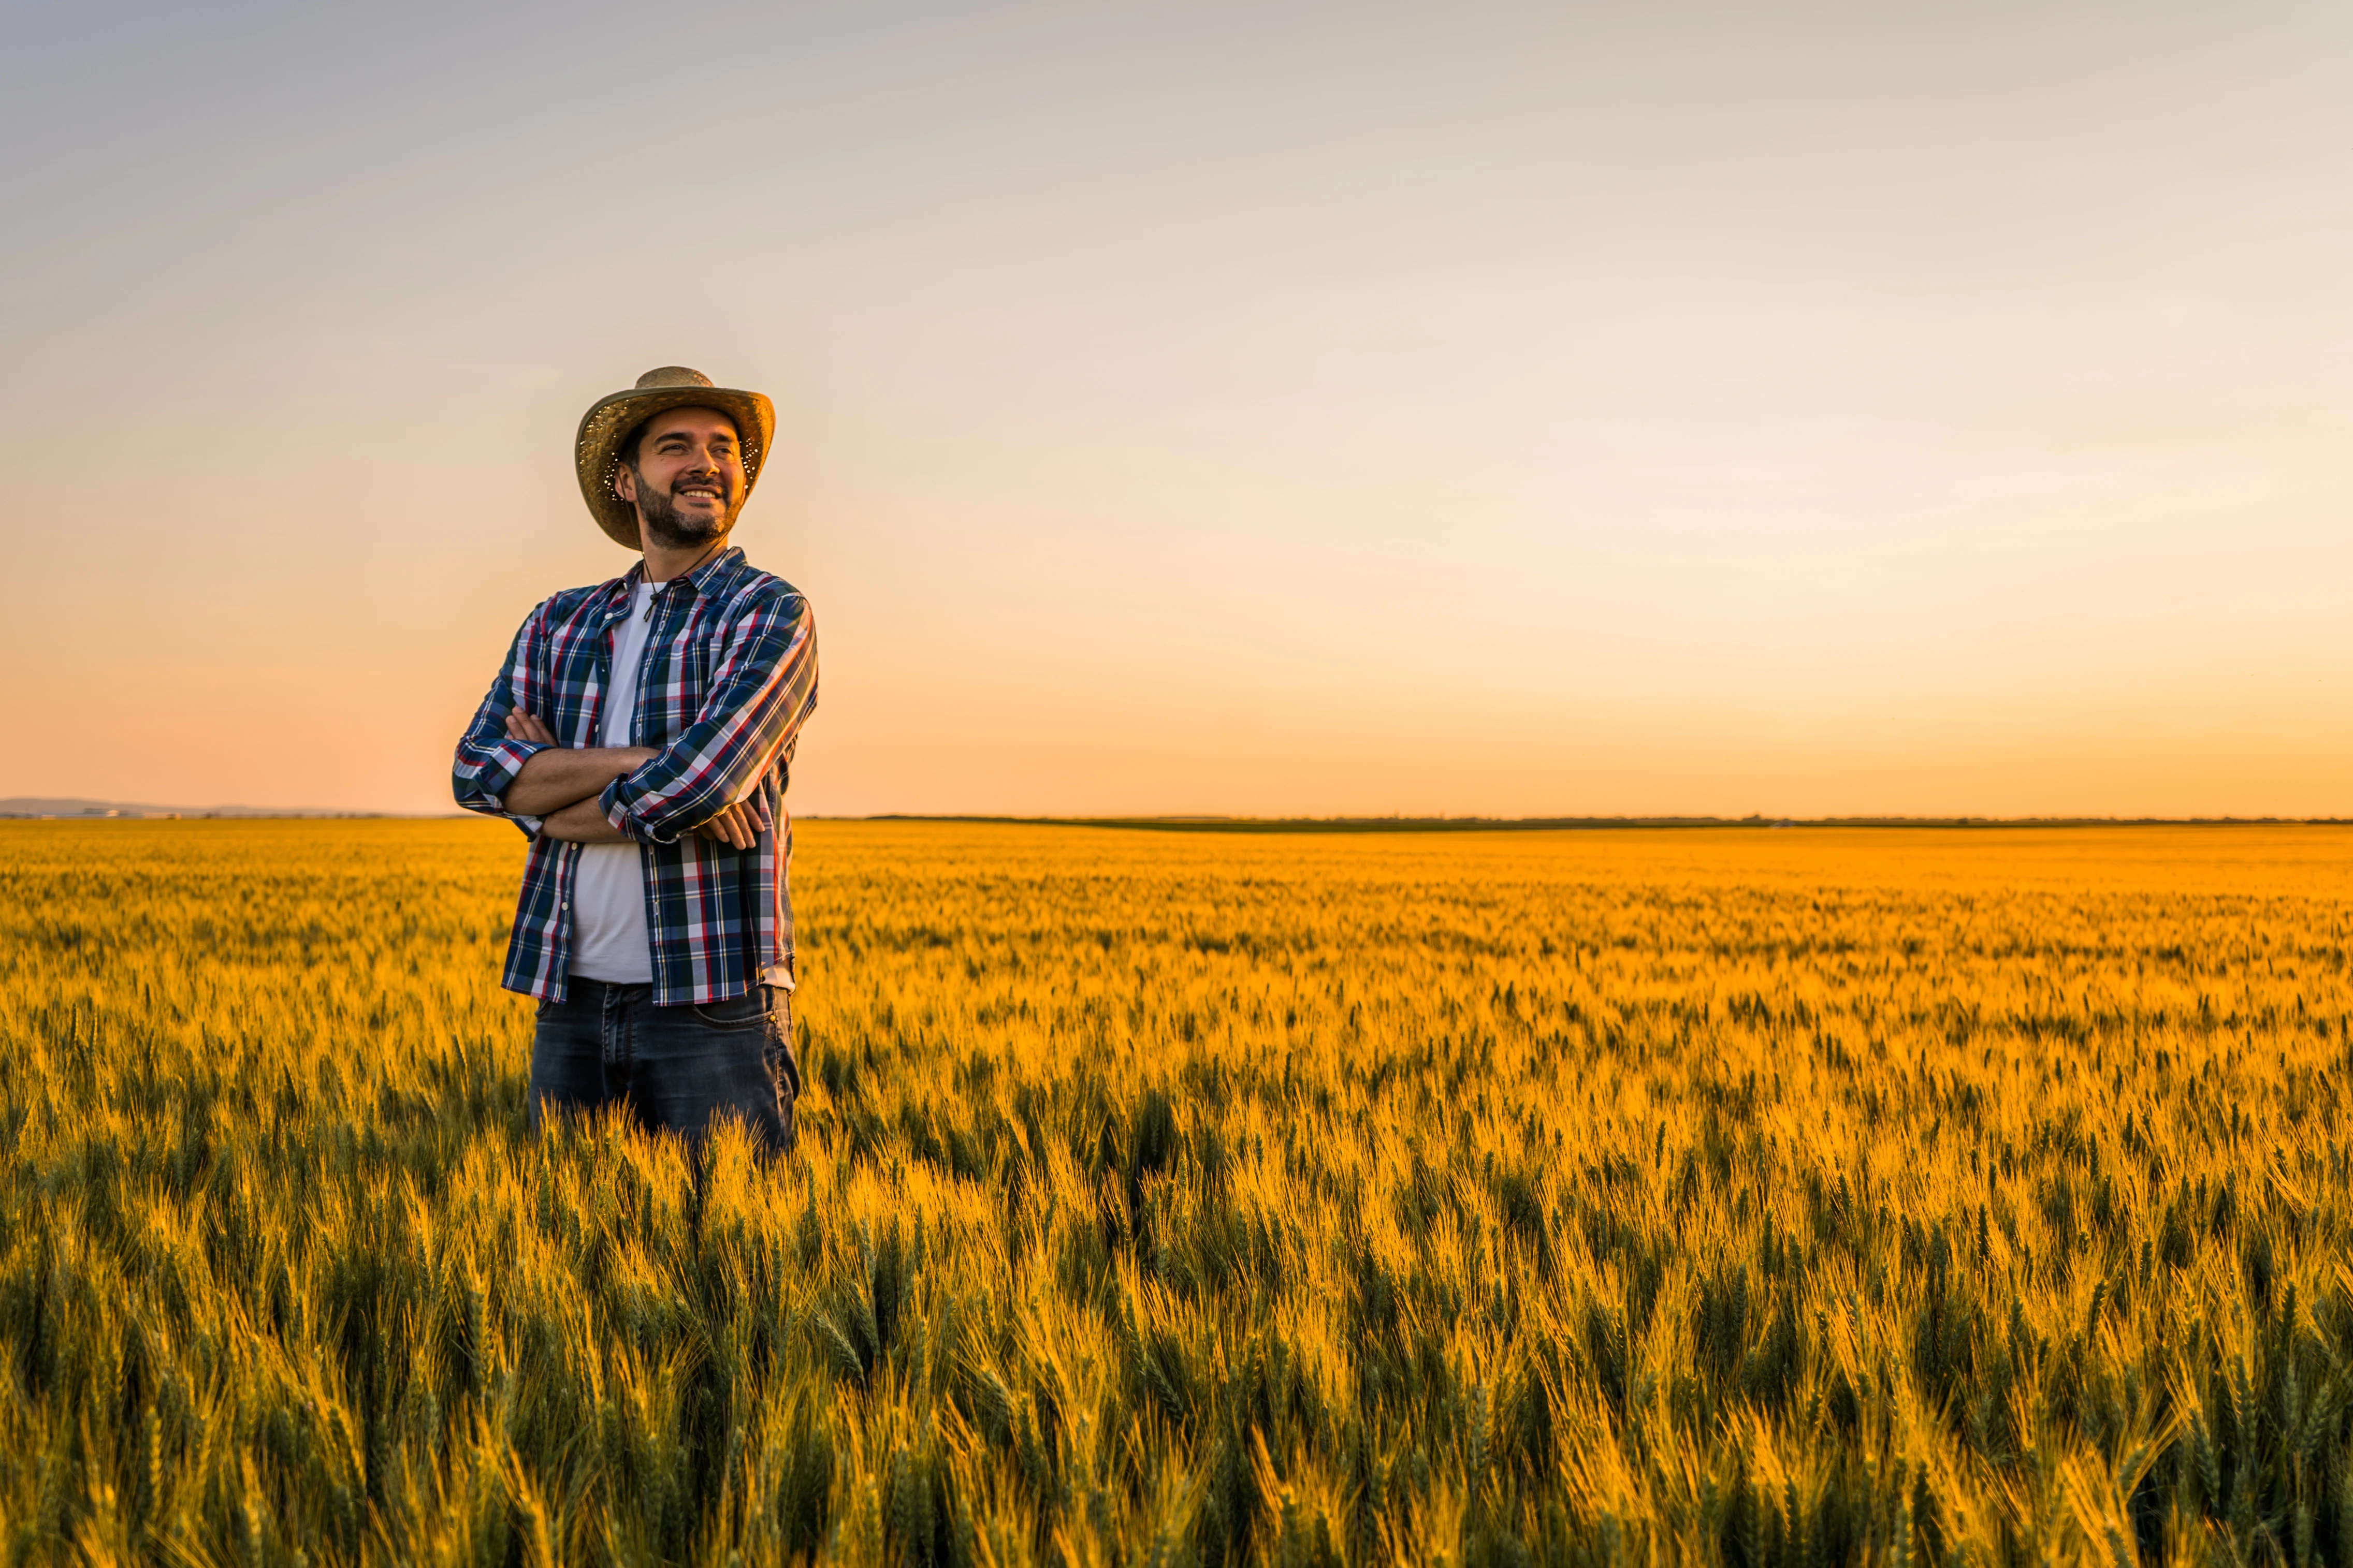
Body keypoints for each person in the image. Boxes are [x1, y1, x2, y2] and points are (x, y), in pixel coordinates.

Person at [452, 366, 818, 1160]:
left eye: (724, 449)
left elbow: (709, 781)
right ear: (625, 479)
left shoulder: (768, 610)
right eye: (675, 446)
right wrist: (647, 760)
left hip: (717, 999)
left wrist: (554, 800)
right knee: (570, 1265)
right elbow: (479, 772)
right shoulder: (561, 622)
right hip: (570, 997)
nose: (707, 463)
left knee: (735, 1262)